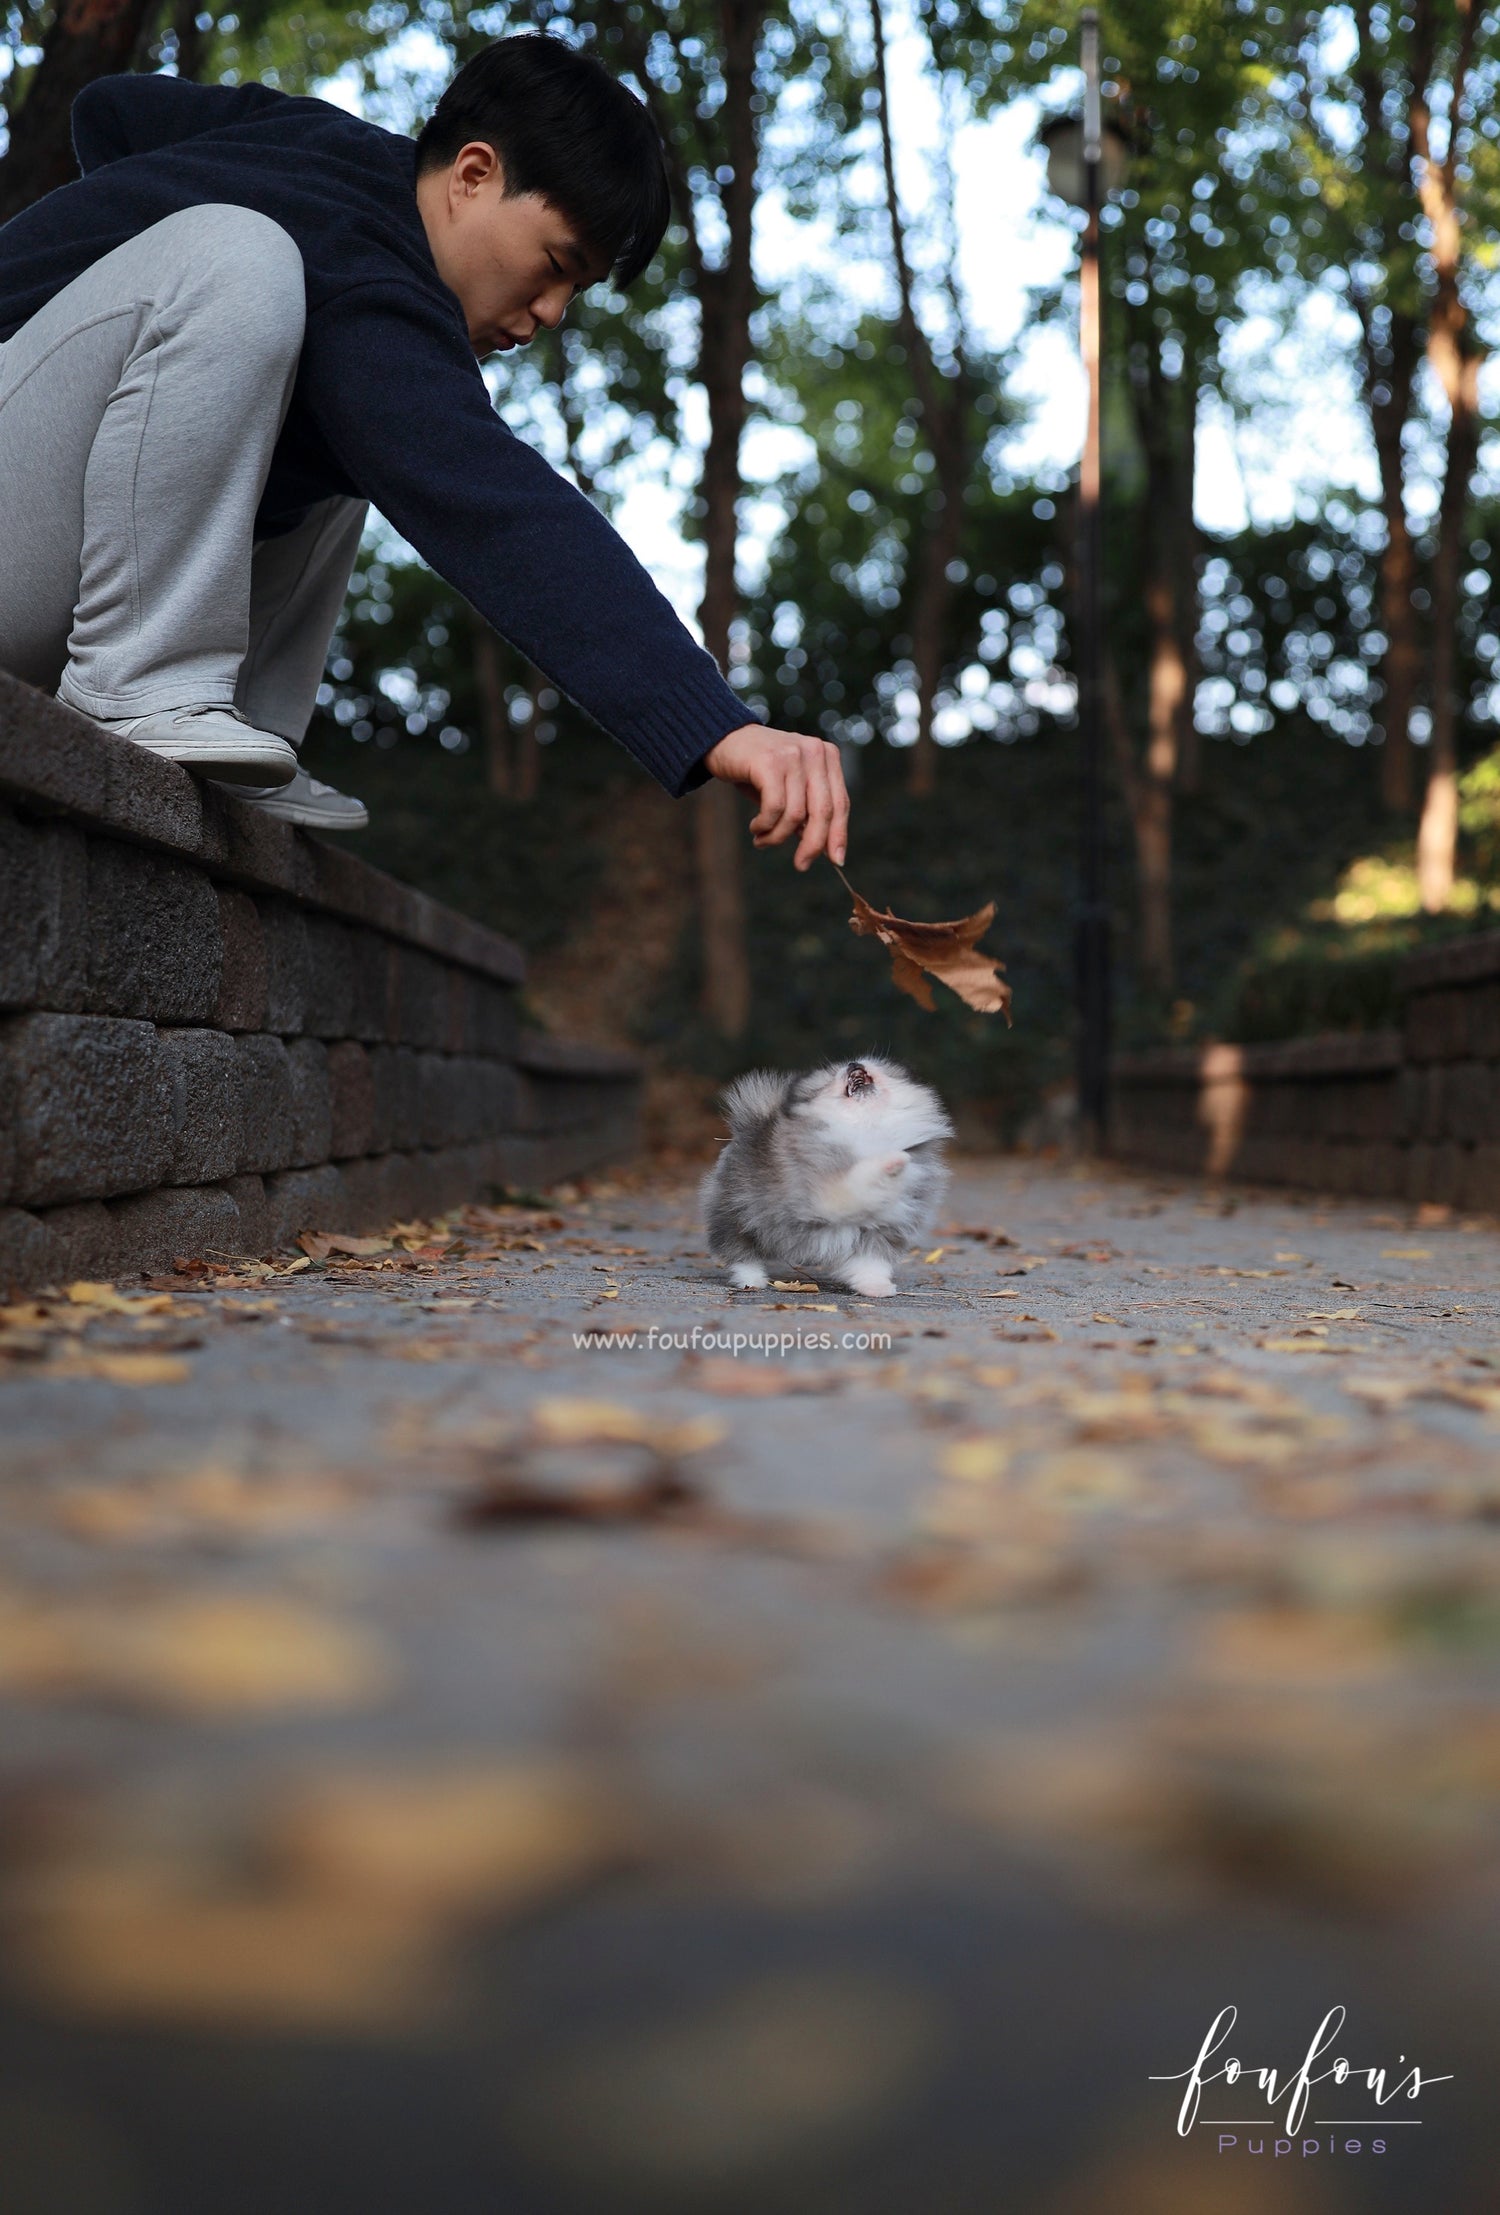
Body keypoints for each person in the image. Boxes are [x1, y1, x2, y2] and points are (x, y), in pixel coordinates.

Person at [0, 33, 848, 867]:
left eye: (576, 290)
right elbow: (497, 506)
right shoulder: (359, 267)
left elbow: (111, 110)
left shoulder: (317, 155)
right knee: (241, 255)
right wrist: (714, 723)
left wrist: (133, 213)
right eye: (555, 263)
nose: (553, 312)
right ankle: (138, 686)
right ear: (473, 175)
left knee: (339, 408)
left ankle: (232, 728)